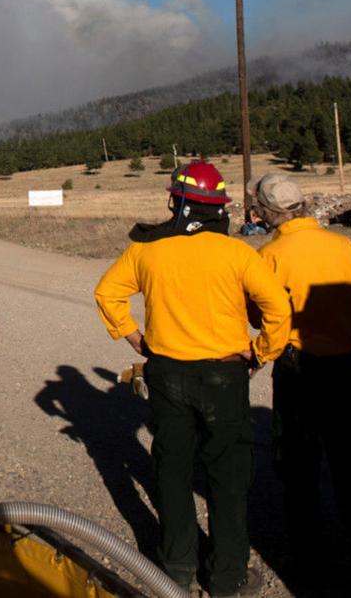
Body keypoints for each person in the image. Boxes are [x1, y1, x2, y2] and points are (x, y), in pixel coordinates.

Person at [94, 162, 291, 597]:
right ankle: (227, 578)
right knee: (229, 475)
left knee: (172, 470)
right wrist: (260, 353)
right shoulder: (240, 253)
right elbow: (279, 310)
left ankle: (176, 567)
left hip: (167, 374)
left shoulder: (146, 250)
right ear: (218, 207)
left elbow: (107, 292)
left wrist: (135, 339)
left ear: (177, 201)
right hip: (225, 375)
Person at [251, 173, 351, 594]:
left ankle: (311, 571)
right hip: (347, 372)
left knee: (299, 472)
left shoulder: (269, 256)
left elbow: (263, 319)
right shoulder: (342, 246)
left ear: (265, 212)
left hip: (298, 375)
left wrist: (257, 355)